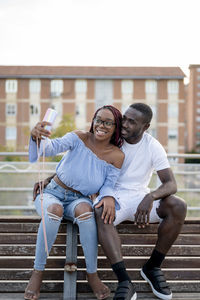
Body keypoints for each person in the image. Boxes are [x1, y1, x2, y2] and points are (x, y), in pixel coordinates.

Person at [24, 105, 125, 300]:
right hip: (52, 193)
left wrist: (109, 197)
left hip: (78, 199)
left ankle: (92, 274)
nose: (101, 125)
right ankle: (37, 273)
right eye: (98, 120)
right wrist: (36, 135)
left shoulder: (117, 156)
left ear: (115, 127)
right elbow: (50, 148)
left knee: (86, 210)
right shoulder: (79, 137)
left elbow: (108, 185)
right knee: (54, 209)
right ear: (93, 121)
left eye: (107, 122)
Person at [94, 103, 187, 300]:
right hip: (113, 196)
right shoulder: (112, 137)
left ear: (145, 127)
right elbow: (79, 159)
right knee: (100, 212)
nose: (124, 124)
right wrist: (53, 179)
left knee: (178, 206)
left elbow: (171, 183)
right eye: (124, 118)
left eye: (131, 121)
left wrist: (151, 196)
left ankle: (152, 268)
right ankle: (125, 281)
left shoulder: (152, 146)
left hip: (140, 198)